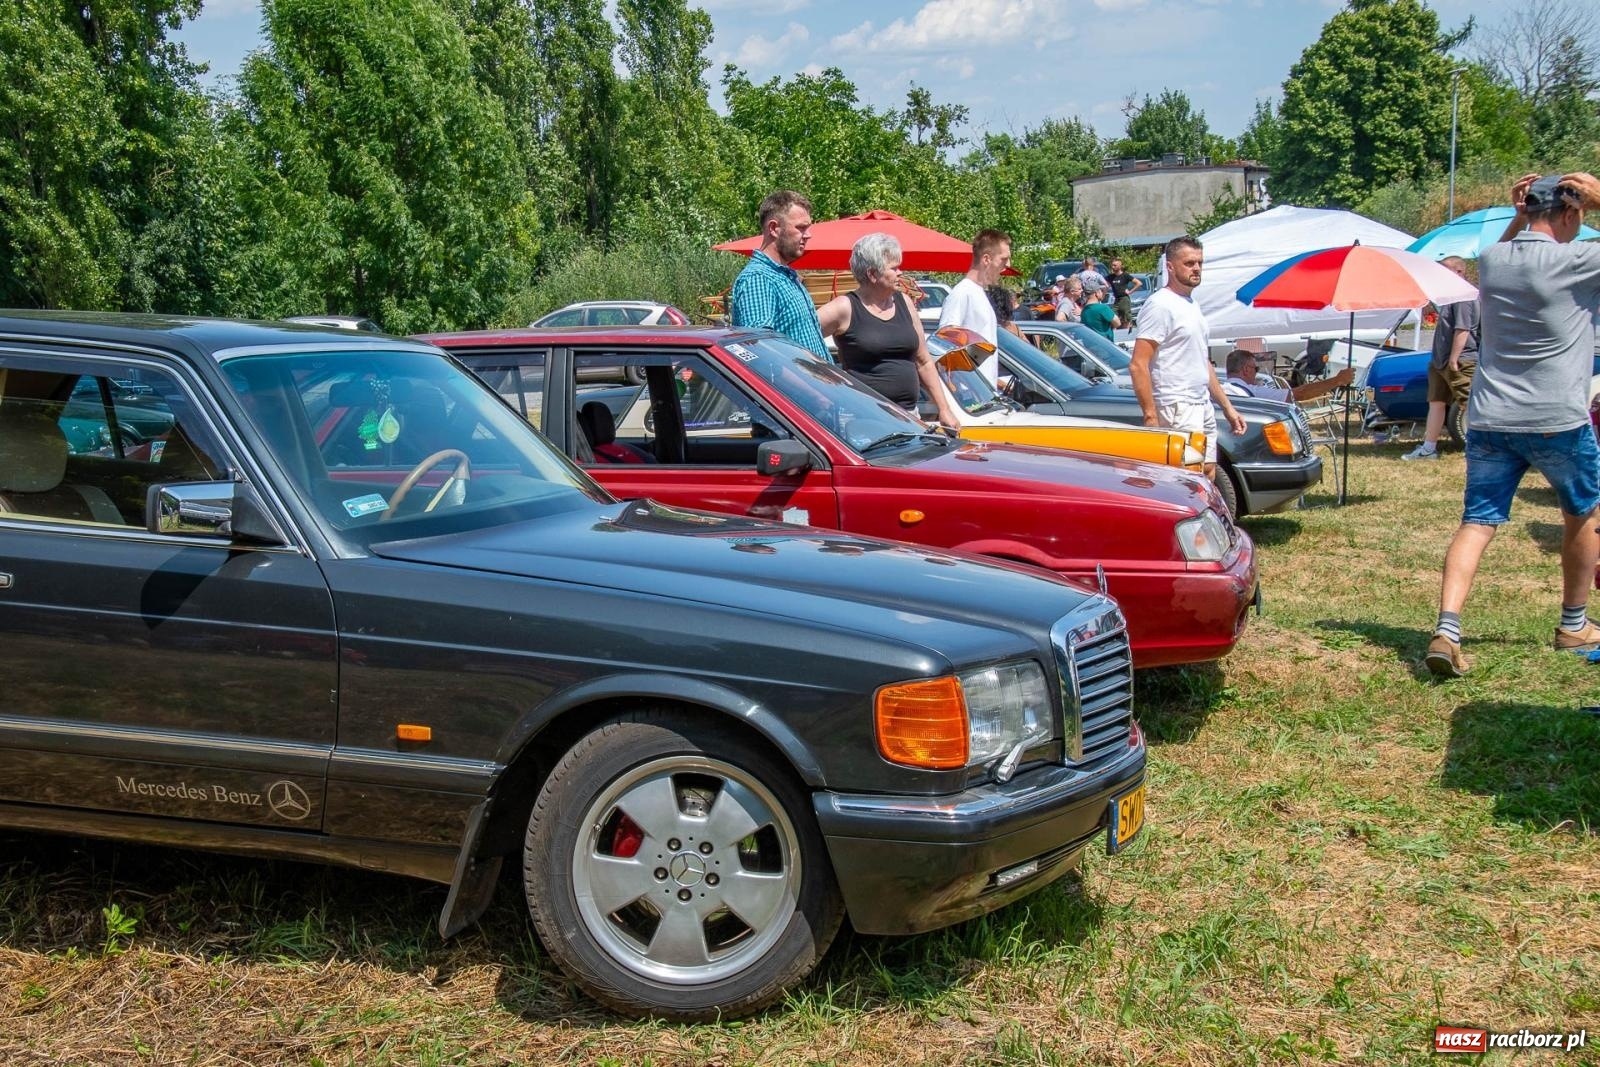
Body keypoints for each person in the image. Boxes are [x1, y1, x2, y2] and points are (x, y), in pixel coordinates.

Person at [1424, 172, 1600, 679]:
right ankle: (1573, 625)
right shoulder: (1577, 260)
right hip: (1556, 418)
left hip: (1490, 417)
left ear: (1527, 209)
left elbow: (1505, 246)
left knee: (1477, 522)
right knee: (1583, 514)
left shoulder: (1493, 260)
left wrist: (1518, 217)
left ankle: (1447, 630)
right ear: (1570, 212)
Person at [1130, 235, 1247, 481]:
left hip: (1200, 403)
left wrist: (1227, 407)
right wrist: (1150, 416)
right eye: (1189, 263)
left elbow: (1203, 362)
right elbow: (1138, 364)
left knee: (1207, 470)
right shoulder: (1160, 305)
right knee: (1188, 475)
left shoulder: (1191, 304)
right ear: (1170, 267)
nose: (1196, 268)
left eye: (1199, 263)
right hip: (1177, 405)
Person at [817, 233, 962, 427]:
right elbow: (798, 337)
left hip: (908, 416)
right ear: (872, 274)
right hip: (862, 419)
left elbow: (924, 361)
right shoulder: (845, 307)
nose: (900, 273)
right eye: (894, 268)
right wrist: (822, 386)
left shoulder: (905, 303)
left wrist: (944, 409)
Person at [729, 189, 829, 358]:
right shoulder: (759, 279)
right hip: (792, 377)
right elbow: (760, 351)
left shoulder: (784, 276)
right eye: (801, 228)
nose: (808, 235)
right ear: (774, 228)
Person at [1402, 257, 1479, 460]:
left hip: (1460, 361)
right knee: (1436, 402)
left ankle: (1484, 448)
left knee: (1469, 404)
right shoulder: (1449, 296)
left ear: (1459, 272)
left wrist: (1454, 359)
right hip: (1440, 361)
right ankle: (1428, 448)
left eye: (1444, 270)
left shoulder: (1464, 295)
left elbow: (1463, 329)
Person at [938, 228, 1011, 381]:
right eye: (1003, 259)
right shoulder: (962, 293)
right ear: (986, 259)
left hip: (983, 391)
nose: (1007, 265)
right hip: (967, 393)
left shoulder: (978, 293)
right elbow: (945, 348)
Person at [1222, 349, 1355, 403]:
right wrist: (1337, 380)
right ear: (1246, 370)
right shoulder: (1252, 392)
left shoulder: (1221, 390)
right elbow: (1299, 394)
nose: (1256, 373)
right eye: (1255, 368)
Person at [1107, 256, 1143, 326]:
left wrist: (1130, 291)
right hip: (1116, 300)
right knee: (1113, 317)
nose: (1113, 267)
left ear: (1120, 266)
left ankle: (1128, 331)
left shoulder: (1125, 275)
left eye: (1115, 265)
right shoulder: (1110, 277)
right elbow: (1104, 283)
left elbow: (1139, 283)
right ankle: (1115, 331)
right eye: (1112, 265)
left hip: (1124, 299)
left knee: (1126, 319)